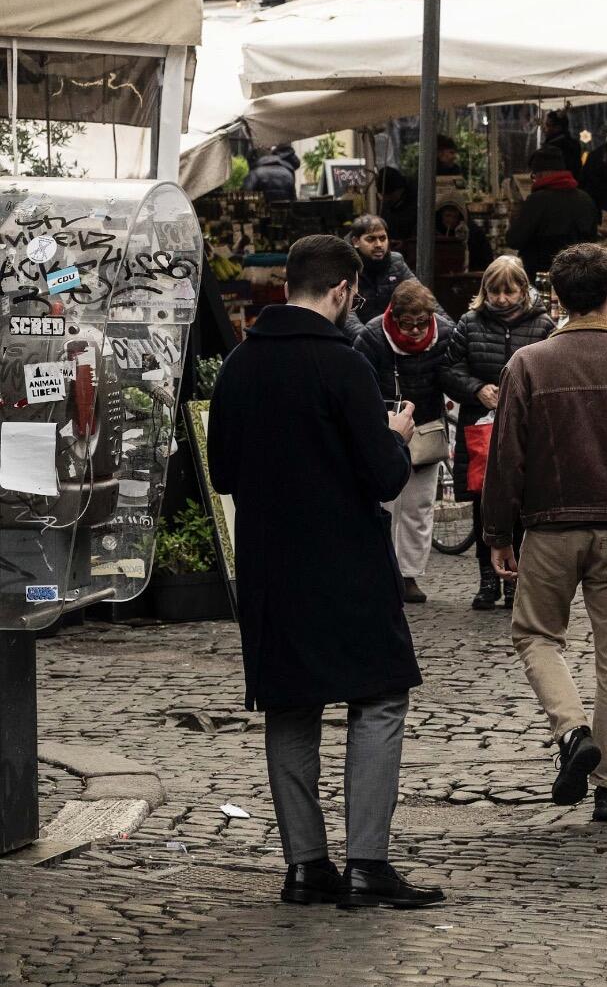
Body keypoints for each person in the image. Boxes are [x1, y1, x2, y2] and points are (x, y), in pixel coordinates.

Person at [206, 234, 442, 911]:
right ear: (341, 290)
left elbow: (222, 472)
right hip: (346, 562)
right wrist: (396, 435)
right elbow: (384, 477)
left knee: (291, 702)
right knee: (380, 697)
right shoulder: (345, 366)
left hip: (270, 565)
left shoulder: (240, 365)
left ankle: (306, 866)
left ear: (289, 284)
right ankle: (367, 864)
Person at [484, 243, 607, 824]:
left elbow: (506, 455)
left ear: (556, 299)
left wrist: (498, 532)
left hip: (551, 525)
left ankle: (572, 730)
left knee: (536, 634)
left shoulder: (528, 364)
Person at [441, 255, 556, 610]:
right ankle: (488, 579)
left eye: (509, 291)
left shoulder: (543, 325)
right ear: (485, 291)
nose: (502, 299)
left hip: (526, 427)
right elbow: (449, 368)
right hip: (481, 427)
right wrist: (477, 389)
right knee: (483, 503)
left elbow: (553, 371)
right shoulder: (469, 323)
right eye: (495, 292)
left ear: (523, 290)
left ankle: (514, 579)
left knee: (521, 503)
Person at [354, 278, 454, 606]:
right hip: (384, 427)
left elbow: (455, 372)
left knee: (419, 506)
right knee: (384, 505)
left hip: (426, 427)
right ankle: (381, 570)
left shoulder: (445, 334)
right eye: (407, 323)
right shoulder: (372, 336)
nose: (414, 331)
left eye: (421, 323)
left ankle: (409, 574)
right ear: (393, 316)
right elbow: (359, 382)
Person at [506, 146, 600, 282]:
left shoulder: (537, 201)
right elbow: (593, 241)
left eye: (534, 176)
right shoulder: (585, 199)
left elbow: (514, 240)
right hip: (579, 279)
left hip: (543, 279)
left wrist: (514, 217)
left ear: (541, 174)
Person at [348, 215, 414, 326]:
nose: (379, 244)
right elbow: (346, 312)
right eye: (371, 239)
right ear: (356, 242)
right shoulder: (345, 266)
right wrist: (367, 335)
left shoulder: (396, 262)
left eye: (383, 238)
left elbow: (420, 295)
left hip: (392, 330)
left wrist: (445, 326)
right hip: (359, 333)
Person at [436, 191, 493, 272]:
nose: (451, 220)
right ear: (440, 215)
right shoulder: (433, 232)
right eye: (448, 216)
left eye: (455, 217)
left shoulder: (474, 233)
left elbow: (485, 260)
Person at [374, 166, 418, 243]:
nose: (385, 199)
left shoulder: (416, 199)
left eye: (389, 196)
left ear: (399, 190)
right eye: (383, 196)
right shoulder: (387, 203)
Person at [541, 110, 583, 180]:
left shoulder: (552, 149)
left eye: (547, 125)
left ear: (558, 128)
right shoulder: (574, 144)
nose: (544, 129)